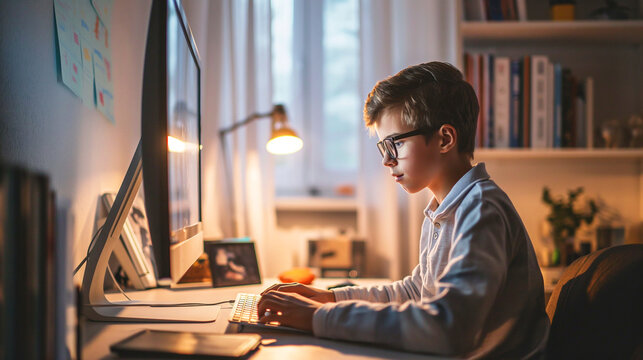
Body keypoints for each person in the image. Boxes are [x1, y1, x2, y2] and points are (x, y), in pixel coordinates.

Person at [257, 61, 550, 358]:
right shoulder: (443, 209)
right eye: (383, 148)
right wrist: (329, 299)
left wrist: (315, 318)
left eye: (394, 144)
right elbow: (415, 292)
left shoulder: (481, 210)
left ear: (445, 139)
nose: (387, 160)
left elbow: (449, 328)